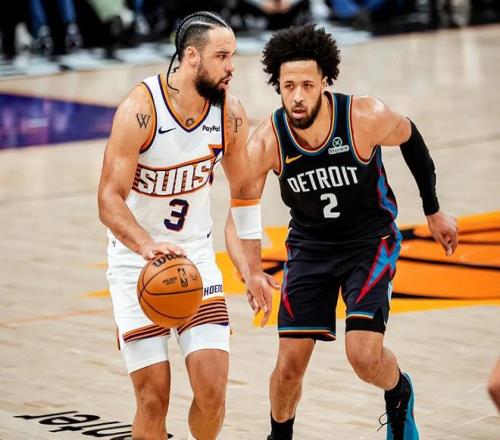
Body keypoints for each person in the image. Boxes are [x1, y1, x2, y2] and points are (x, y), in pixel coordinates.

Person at [225, 23, 458, 440]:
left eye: (307, 85)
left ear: (325, 82)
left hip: (369, 243)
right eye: (288, 86)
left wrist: (433, 210)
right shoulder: (267, 141)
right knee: (288, 367)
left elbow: (411, 139)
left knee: (363, 356)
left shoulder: (364, 117)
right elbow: (237, 216)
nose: (297, 96)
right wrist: (251, 271)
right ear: (277, 86)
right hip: (310, 249)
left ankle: (399, 392)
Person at [98, 11, 271, 440]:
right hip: (136, 264)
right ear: (192, 57)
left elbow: (244, 192)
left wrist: (251, 269)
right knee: (153, 399)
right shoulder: (141, 110)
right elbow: (108, 199)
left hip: (195, 257)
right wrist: (145, 245)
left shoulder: (229, 115)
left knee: (212, 394)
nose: (231, 67)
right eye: (222, 56)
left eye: (233, 56)